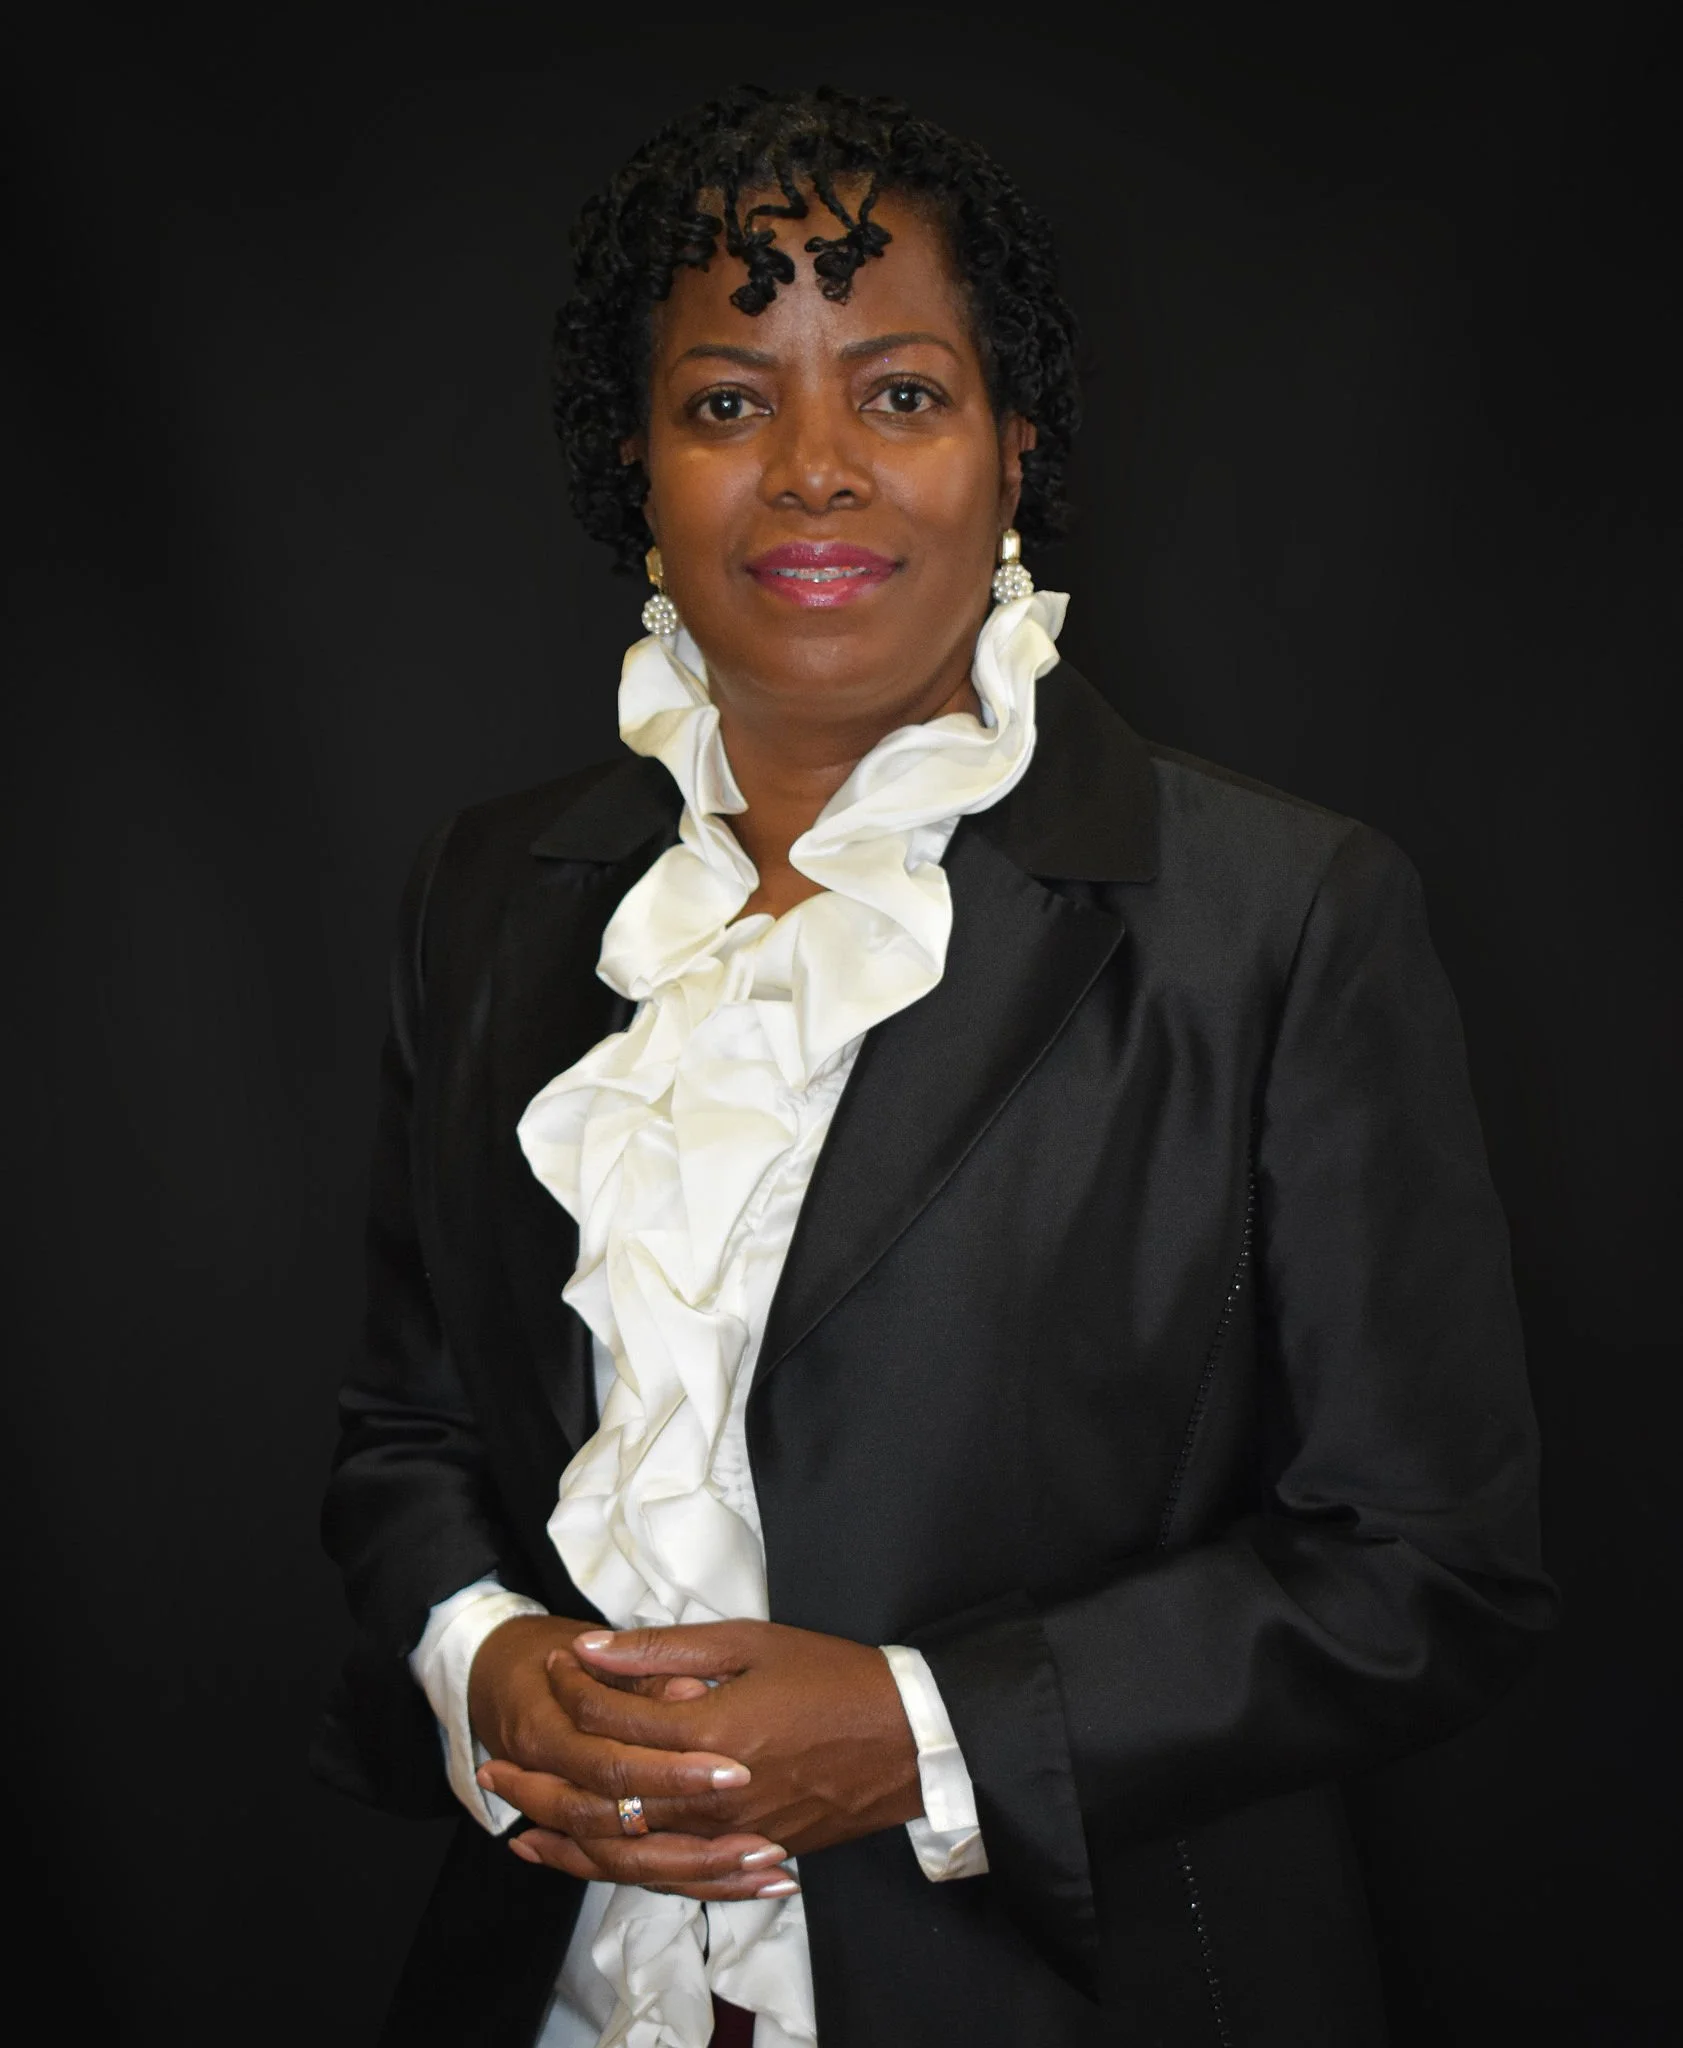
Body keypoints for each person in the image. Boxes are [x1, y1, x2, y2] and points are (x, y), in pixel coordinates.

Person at [315, 85, 1556, 2048]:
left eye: (897, 394)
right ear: (633, 462)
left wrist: (918, 1732)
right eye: (728, 401)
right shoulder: (490, 896)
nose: (814, 471)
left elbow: (1429, 1571)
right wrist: (482, 1659)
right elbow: (401, 1442)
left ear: (1013, 440)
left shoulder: (1279, 913)